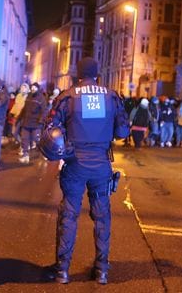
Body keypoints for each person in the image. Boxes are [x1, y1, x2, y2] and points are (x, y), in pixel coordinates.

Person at [46, 57, 129, 285]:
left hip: (75, 163)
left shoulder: (68, 97)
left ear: (78, 74)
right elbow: (122, 131)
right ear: (97, 73)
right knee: (102, 216)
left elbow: (50, 131)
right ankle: (102, 269)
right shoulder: (111, 97)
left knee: (69, 215)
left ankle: (63, 270)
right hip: (101, 164)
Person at [17, 82, 47, 163]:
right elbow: (25, 108)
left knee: (37, 139)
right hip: (26, 123)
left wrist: (40, 121)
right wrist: (19, 118)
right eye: (32, 87)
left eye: (35, 88)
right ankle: (25, 155)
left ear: (38, 88)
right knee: (24, 139)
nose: (33, 89)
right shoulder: (29, 96)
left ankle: (45, 153)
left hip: (36, 124)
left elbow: (44, 111)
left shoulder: (41, 98)